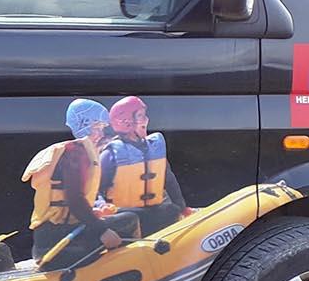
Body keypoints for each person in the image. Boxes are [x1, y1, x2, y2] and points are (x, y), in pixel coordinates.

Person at [22, 99, 128, 269]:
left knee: (119, 218)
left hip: (49, 237)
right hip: (58, 242)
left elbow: (72, 202)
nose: (101, 133)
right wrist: (101, 229)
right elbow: (74, 199)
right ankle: (121, 277)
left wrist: (92, 213)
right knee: (128, 221)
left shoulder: (76, 151)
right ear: (83, 125)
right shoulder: (75, 154)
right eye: (97, 127)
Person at [98, 95, 195, 235]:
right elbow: (95, 190)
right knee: (130, 218)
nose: (146, 119)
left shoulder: (155, 148)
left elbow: (168, 179)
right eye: (140, 116)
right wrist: (102, 206)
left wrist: (182, 207)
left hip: (155, 211)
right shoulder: (110, 154)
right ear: (125, 122)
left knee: (171, 210)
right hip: (126, 214)